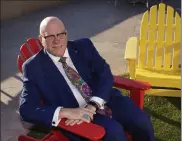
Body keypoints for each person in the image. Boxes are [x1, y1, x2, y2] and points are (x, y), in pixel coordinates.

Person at [19, 16, 154, 141]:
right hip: (77, 115)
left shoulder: (83, 46)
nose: (57, 40)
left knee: (141, 121)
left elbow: (104, 73)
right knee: (114, 132)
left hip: (103, 98)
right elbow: (26, 109)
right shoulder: (32, 68)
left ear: (66, 33)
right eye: (50, 36)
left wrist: (93, 104)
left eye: (60, 34)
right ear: (41, 39)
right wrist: (66, 112)